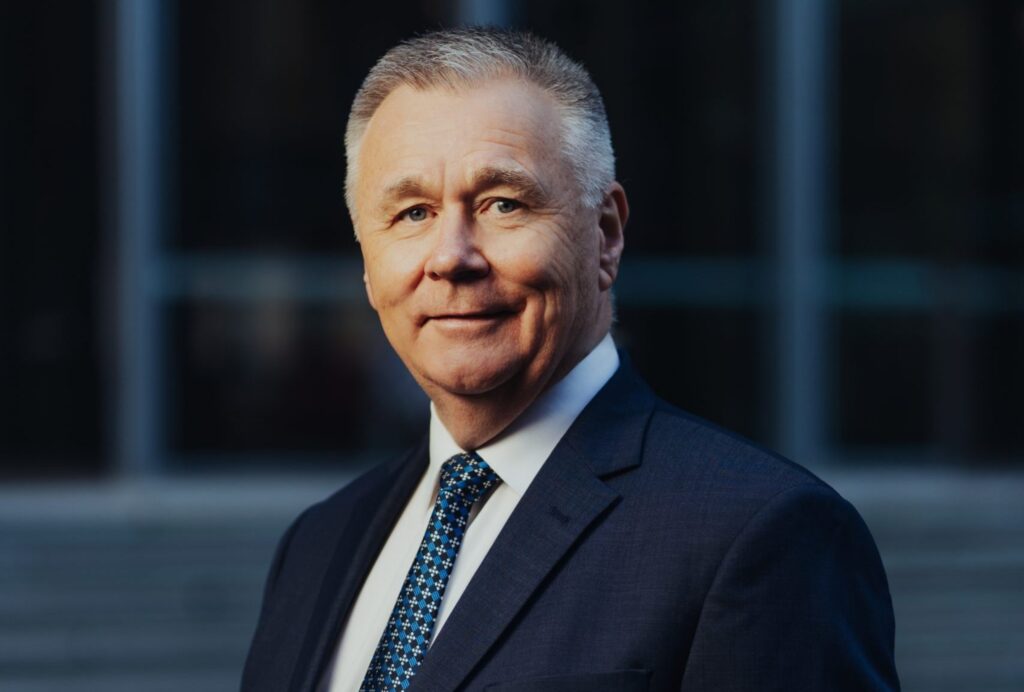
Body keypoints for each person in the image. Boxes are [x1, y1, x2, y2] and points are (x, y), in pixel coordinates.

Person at [241, 28, 900, 692]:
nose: (450, 257)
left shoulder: (761, 533)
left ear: (605, 235)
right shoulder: (315, 546)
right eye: (413, 213)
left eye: (503, 204)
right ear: (366, 261)